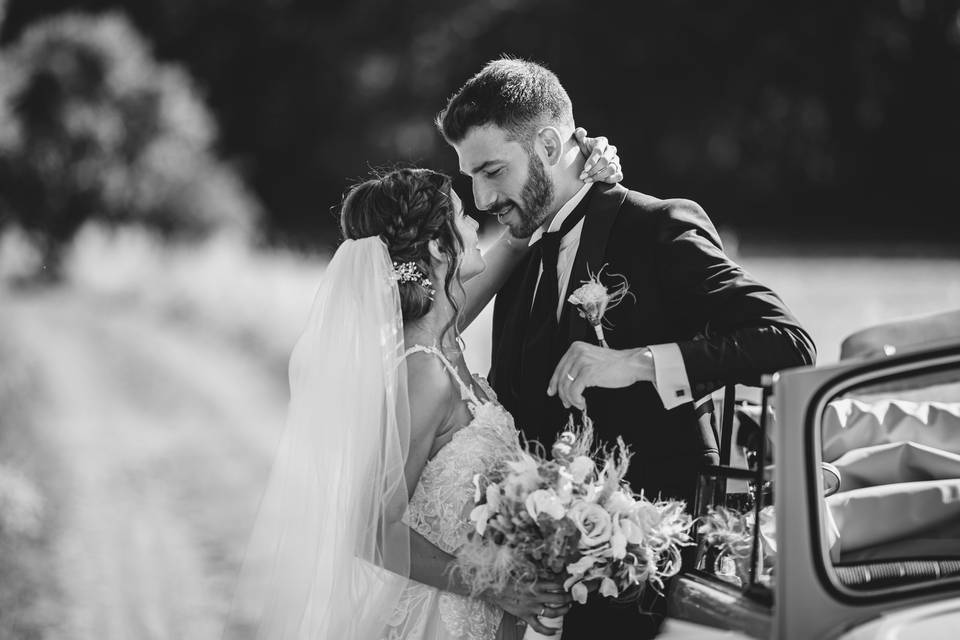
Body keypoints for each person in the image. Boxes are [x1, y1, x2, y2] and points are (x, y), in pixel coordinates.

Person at [436, 57, 817, 638]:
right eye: (472, 179)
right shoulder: (522, 248)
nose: (482, 197)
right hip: (548, 578)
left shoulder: (655, 227)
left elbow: (789, 341)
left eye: (492, 171)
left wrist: (638, 363)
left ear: (545, 144)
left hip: (652, 569)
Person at [226, 142, 624, 638]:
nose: (479, 223)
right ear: (438, 249)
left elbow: (518, 238)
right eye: (461, 216)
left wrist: (577, 174)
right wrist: (494, 587)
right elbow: (373, 530)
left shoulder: (442, 345)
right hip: (438, 621)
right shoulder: (424, 372)